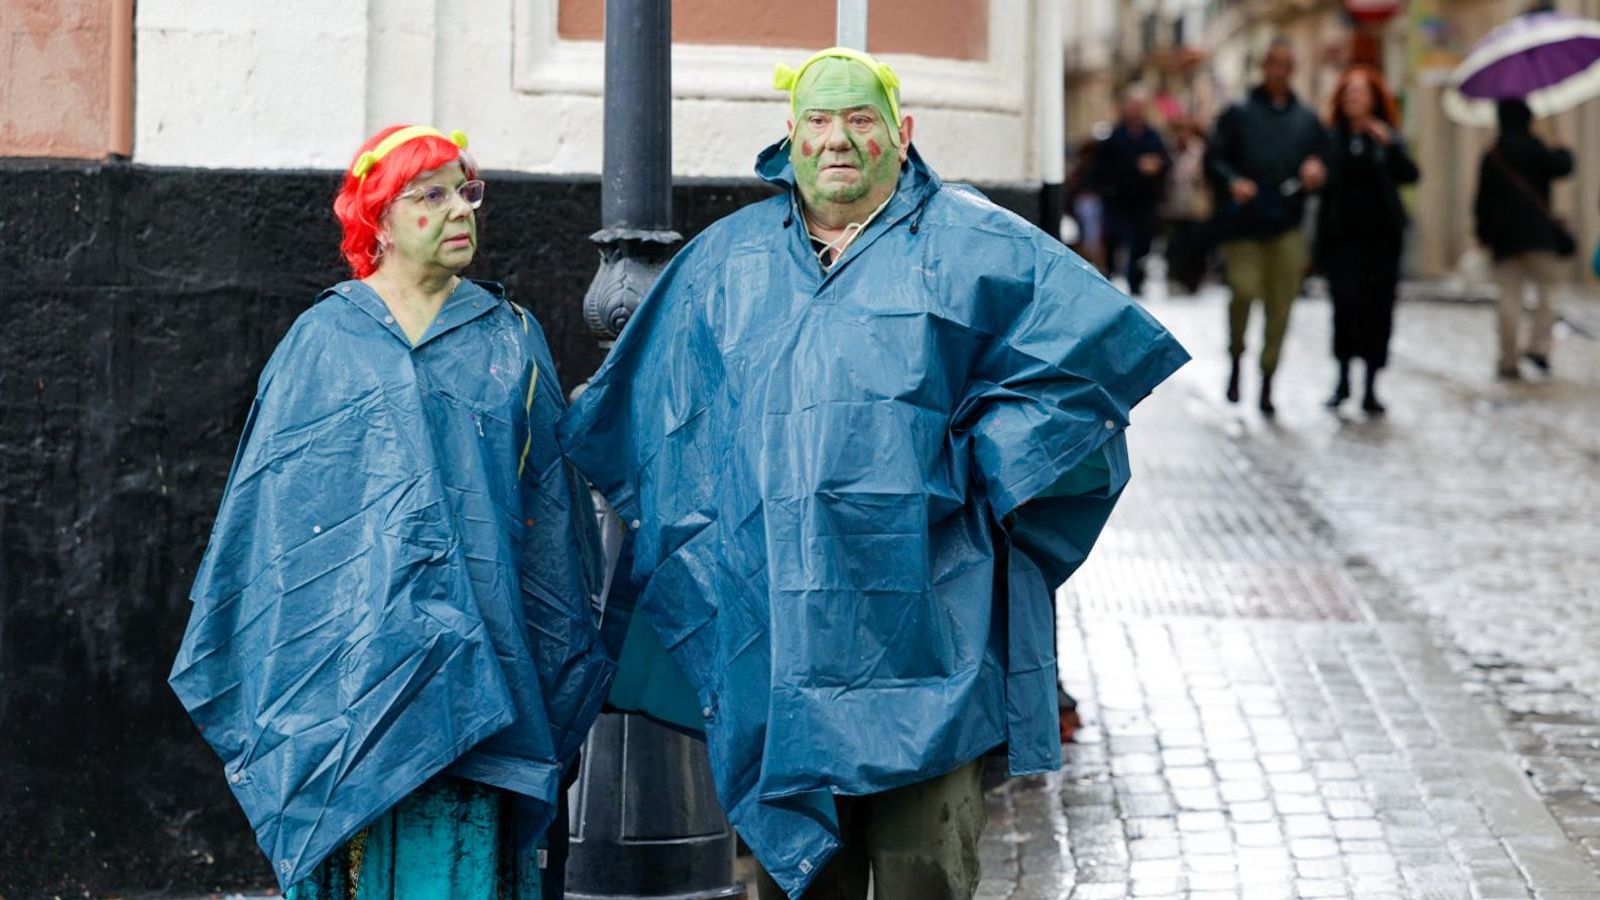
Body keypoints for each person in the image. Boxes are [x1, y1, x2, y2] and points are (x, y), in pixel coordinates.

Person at [559, 48, 1189, 900]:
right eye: (819, 120)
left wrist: (973, 471)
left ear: (903, 133)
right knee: (795, 880)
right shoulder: (726, 265)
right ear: (791, 135)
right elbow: (649, 419)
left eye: (861, 119)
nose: (838, 141)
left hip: (927, 633)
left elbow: (1084, 366)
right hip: (778, 635)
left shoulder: (975, 246)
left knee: (918, 876)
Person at [169, 125, 613, 898]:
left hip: (486, 677)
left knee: (461, 861)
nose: (459, 211)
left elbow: (552, 510)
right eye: (430, 196)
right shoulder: (324, 342)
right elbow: (274, 521)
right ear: (377, 217)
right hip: (347, 681)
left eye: (466, 192)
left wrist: (550, 648)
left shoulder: (510, 338)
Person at [1206, 38, 1329, 415]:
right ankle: (1237, 359)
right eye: (1271, 63)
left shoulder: (1307, 120)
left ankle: (1267, 379)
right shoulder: (1238, 113)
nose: (1277, 71)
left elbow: (1324, 161)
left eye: (1284, 64)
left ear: (1291, 70)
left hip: (1287, 225)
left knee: (1281, 306)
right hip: (1245, 226)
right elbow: (1214, 159)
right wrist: (1232, 182)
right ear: (1263, 67)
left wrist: (1316, 172)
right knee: (1242, 292)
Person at [1314, 66, 1419, 414]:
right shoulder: (1330, 139)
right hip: (1343, 241)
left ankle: (1371, 386)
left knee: (1378, 311)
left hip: (1382, 241)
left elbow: (1410, 174)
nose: (1353, 98)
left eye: (1360, 93)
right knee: (1345, 308)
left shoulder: (1387, 137)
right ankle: (1342, 379)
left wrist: (1389, 146)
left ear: (1375, 99)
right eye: (1347, 92)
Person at [1473, 98, 1575, 378]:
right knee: (1549, 291)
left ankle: (1508, 360)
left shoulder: (1492, 153)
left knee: (1508, 299)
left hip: (1504, 240)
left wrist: (1482, 234)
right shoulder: (1536, 146)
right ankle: (1538, 346)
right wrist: (1563, 149)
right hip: (1539, 236)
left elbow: (1481, 200)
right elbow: (1563, 167)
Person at [1094, 86, 1169, 296]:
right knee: (1113, 240)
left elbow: (1165, 163)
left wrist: (1157, 167)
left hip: (1143, 201)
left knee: (1141, 244)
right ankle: (1108, 281)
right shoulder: (1113, 137)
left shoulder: (1153, 137)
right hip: (1117, 199)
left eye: (1140, 105)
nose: (1136, 109)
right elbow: (1101, 168)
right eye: (1132, 105)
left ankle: (1136, 283)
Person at [1161, 115, 1214, 295]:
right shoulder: (1168, 150)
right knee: (1175, 245)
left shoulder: (1201, 151)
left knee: (1195, 246)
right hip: (1173, 206)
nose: (1183, 135)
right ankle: (1175, 278)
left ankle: (1192, 281)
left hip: (1196, 206)